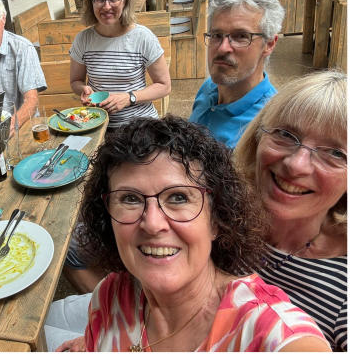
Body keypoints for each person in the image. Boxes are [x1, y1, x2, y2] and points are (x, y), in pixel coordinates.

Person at [48, 116, 330, 352]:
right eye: (130, 199)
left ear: (216, 220)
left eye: (179, 197)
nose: (153, 224)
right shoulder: (109, 296)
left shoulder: (270, 333)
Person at [235, 70, 347, 351]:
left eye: (335, 153)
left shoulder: (343, 293)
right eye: (286, 134)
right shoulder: (221, 216)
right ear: (257, 138)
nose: (296, 165)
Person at [69, 0, 170, 132]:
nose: (106, 6)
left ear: (125, 0)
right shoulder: (83, 39)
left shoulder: (143, 37)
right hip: (98, 125)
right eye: (100, 0)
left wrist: (129, 98)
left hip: (139, 126)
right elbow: (75, 81)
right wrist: (84, 90)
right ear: (91, 1)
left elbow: (164, 85)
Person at [189, 0, 284, 148]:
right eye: (216, 35)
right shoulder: (209, 87)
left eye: (241, 36)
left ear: (269, 44)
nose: (222, 48)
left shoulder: (269, 125)